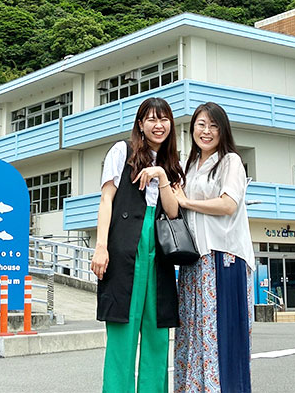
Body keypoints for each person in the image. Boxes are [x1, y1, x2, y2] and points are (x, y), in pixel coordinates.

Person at [91, 97, 184, 393]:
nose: (159, 125)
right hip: (124, 247)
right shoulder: (122, 151)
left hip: (159, 252)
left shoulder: (171, 164)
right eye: (152, 119)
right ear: (140, 125)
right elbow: (106, 199)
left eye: (164, 119)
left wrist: (161, 175)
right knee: (122, 333)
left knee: (157, 337)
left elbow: (173, 212)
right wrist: (101, 246)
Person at [173, 102, 254, 393]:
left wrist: (187, 202)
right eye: (201, 124)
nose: (206, 132)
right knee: (193, 332)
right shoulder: (189, 166)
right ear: (192, 127)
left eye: (213, 126)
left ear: (223, 130)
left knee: (221, 333)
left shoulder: (230, 161)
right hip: (194, 259)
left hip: (224, 256)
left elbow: (228, 203)